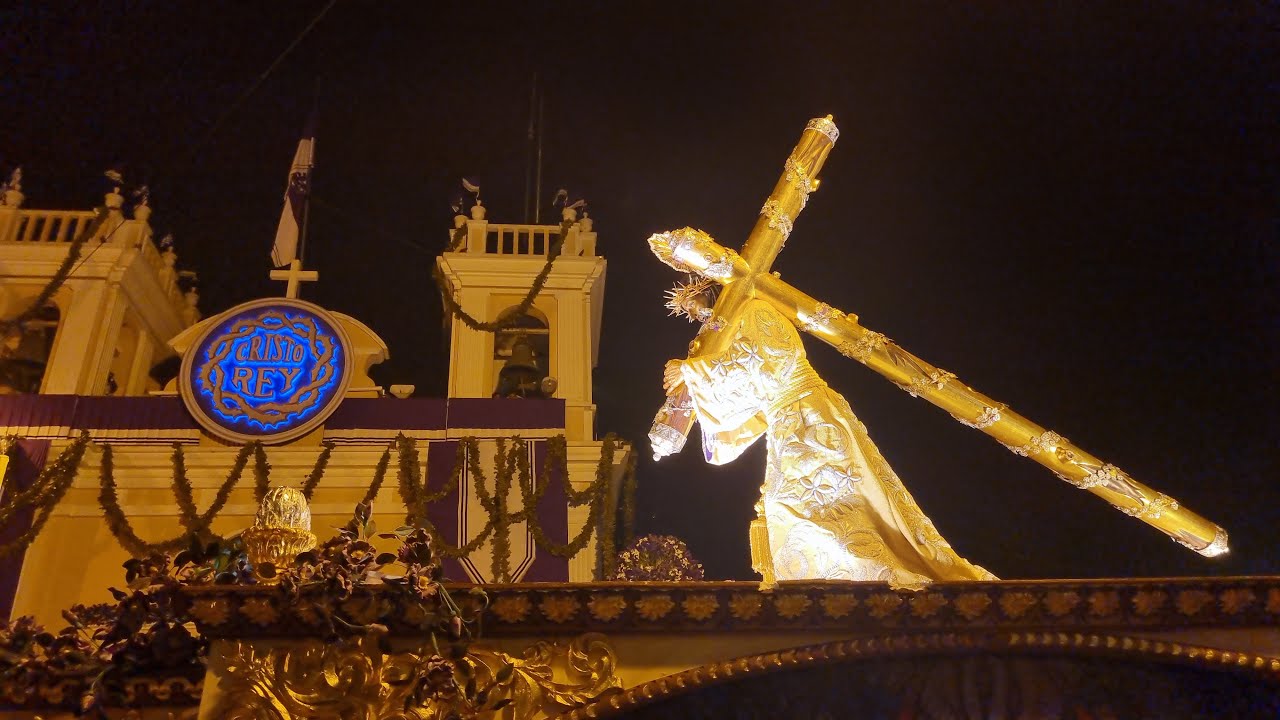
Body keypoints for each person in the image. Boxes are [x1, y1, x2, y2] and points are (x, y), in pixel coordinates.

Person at [663, 289, 995, 589]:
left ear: (717, 294)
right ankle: (840, 579)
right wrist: (695, 380)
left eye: (704, 311)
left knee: (814, 502)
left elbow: (771, 363)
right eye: (698, 317)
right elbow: (754, 396)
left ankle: (867, 573)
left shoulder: (755, 310)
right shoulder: (737, 328)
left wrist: (694, 372)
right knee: (795, 503)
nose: (705, 320)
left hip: (810, 417)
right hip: (788, 421)